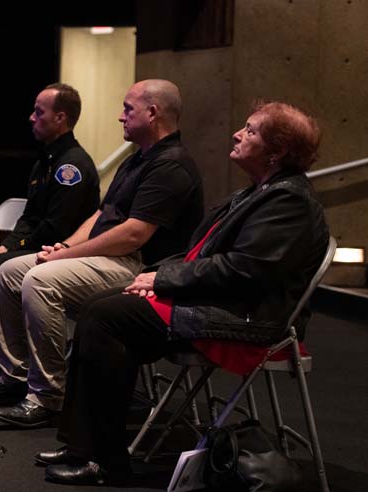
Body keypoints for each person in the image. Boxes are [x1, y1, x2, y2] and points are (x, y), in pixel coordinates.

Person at [39, 101, 329, 486]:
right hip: (220, 299)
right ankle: (84, 444)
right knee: (102, 307)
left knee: (105, 319)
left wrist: (162, 281)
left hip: (249, 316)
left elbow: (244, 270)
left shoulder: (288, 199)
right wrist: (152, 274)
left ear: (275, 152)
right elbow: (203, 253)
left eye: (251, 130)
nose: (237, 134)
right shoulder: (259, 191)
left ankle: (103, 460)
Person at [0, 79, 204, 428]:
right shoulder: (137, 161)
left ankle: (47, 396)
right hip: (113, 259)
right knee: (9, 270)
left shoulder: (171, 165)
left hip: (143, 269)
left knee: (41, 279)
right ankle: (15, 378)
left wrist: (63, 258)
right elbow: (103, 216)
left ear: (152, 113)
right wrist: (67, 247)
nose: (120, 117)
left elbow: (133, 235)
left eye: (127, 109)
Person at [0, 82, 99, 377]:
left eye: (39, 112)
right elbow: (29, 216)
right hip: (39, 243)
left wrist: (14, 247)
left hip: (62, 250)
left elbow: (57, 226)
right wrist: (8, 244)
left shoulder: (71, 167)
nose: (31, 118)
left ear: (60, 118)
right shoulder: (46, 160)